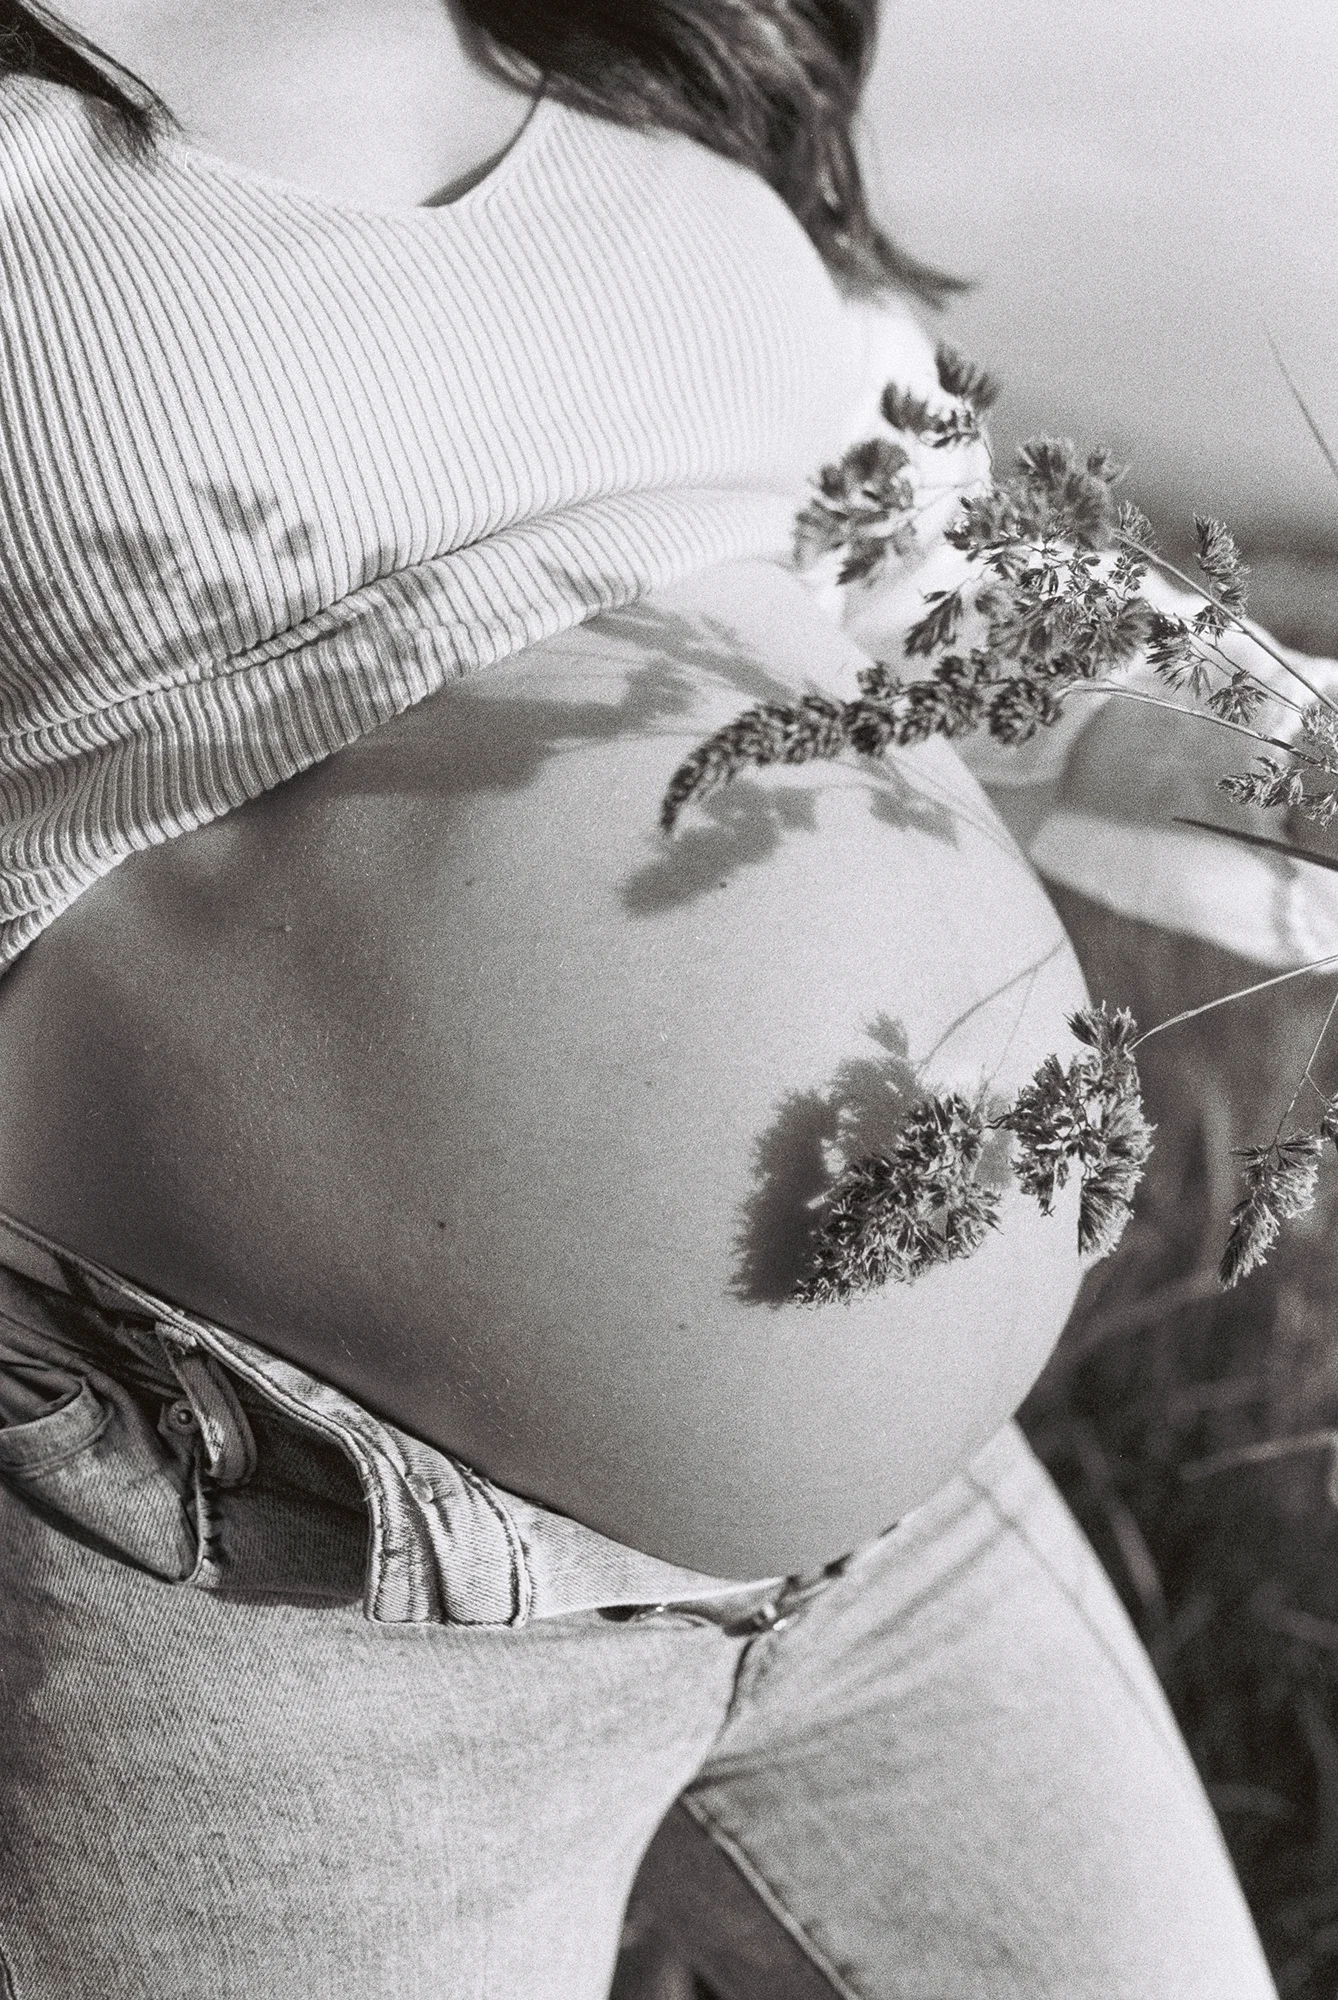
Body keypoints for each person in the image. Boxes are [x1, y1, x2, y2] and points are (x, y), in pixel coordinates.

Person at [0, 3, 1284, 1994]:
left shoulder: (637, 74)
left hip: (911, 1537)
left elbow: (884, 578)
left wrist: (1145, 729)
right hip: (290, 1581)